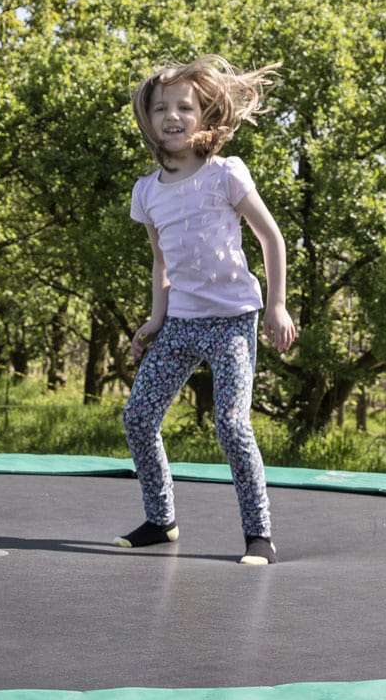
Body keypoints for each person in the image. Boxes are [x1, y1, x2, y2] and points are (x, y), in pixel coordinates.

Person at [118, 55, 298, 565]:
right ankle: (161, 519)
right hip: (180, 325)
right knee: (138, 417)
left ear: (203, 115)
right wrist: (155, 319)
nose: (172, 116)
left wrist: (277, 306)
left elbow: (271, 237)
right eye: (161, 108)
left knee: (231, 423)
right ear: (147, 119)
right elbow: (161, 262)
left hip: (233, 322)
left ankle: (258, 533)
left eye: (184, 107)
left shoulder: (225, 175)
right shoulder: (146, 192)